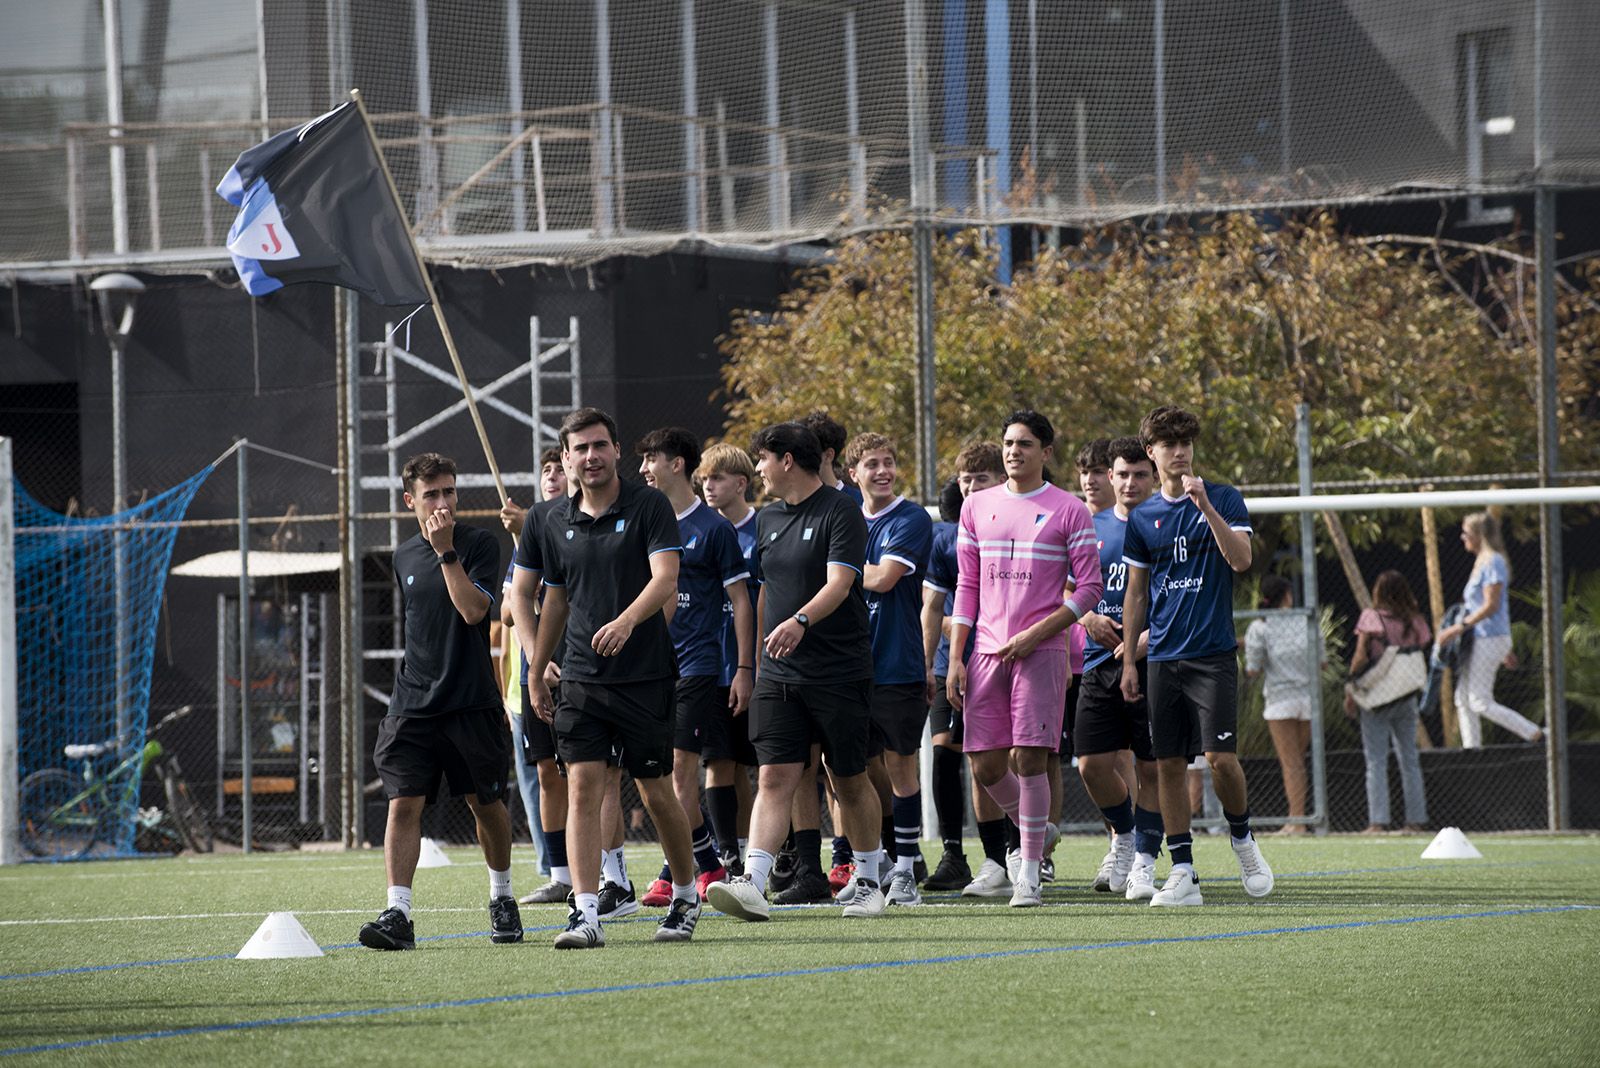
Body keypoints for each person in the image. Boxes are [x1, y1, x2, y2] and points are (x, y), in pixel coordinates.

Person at [524, 407, 702, 948]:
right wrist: (536, 670)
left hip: (645, 677)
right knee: (581, 786)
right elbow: (552, 599)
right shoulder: (553, 519)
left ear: (616, 450)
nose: (591, 456)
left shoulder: (648, 505)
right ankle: (585, 913)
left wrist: (626, 622)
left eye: (600, 445)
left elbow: (666, 578)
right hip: (580, 679)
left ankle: (687, 894)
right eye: (580, 449)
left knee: (655, 791)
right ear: (567, 457)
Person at [705, 421, 887, 921]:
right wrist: (758, 664)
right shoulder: (766, 520)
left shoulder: (841, 509)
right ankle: (754, 883)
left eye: (761, 459)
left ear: (787, 460)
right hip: (779, 677)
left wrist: (801, 620)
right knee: (774, 776)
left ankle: (870, 880)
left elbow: (841, 581)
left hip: (839, 672)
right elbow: (763, 592)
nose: (757, 468)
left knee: (847, 779)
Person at [359, 452, 522, 950]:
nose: (443, 502)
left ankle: (501, 897)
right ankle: (398, 913)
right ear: (410, 500)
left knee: (485, 802)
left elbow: (475, 613)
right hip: (413, 702)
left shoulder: (477, 543)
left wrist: (447, 551)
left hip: (471, 701)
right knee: (402, 802)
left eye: (449, 491)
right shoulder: (404, 555)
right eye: (431, 494)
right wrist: (431, 548)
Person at [946, 410, 1103, 908]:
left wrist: (1038, 633)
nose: (1014, 451)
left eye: (1026, 444)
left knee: (1031, 758)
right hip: (986, 652)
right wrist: (956, 658)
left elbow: (1091, 589)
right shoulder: (976, 507)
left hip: (1043, 652)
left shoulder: (1069, 509)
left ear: (1046, 452)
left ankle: (1029, 869)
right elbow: (966, 588)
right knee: (986, 766)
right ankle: (1040, 828)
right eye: (1009, 443)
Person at [1120, 405, 1273, 907]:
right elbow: (1137, 593)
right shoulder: (1143, 517)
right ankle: (1182, 869)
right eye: (1169, 444)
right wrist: (1128, 663)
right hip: (1163, 657)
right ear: (1152, 452)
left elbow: (1243, 560)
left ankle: (1243, 838)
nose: (1180, 451)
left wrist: (1205, 506)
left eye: (1186, 442)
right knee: (1167, 765)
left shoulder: (1224, 497)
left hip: (1212, 655)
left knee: (1220, 759)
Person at [634, 427, 755, 906]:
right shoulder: (645, 520)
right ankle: (695, 866)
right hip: (649, 668)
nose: (643, 469)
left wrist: (744, 668)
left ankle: (690, 871)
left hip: (697, 665)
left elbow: (741, 603)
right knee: (655, 778)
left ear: (677, 463)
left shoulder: (715, 529)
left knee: (681, 775)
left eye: (651, 459)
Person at [1073, 436, 1164, 899]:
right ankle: (1125, 837)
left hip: (1154, 662)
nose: (1130, 483)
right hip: (1097, 662)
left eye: (1139, 474)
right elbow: (1065, 583)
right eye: (1122, 475)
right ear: (1110, 478)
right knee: (1090, 764)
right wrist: (1085, 616)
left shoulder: (1165, 524)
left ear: (1153, 476)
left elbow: (1181, 591)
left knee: (1152, 770)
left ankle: (1145, 860)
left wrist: (1148, 638)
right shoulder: (1090, 526)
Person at [846, 431, 934, 907]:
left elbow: (880, 579)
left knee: (901, 768)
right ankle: (872, 862)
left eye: (888, 462)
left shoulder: (911, 517)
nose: (882, 472)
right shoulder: (844, 518)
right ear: (852, 473)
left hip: (898, 663)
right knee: (851, 771)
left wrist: (834, 568)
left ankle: (905, 871)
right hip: (849, 667)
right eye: (872, 464)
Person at [921, 445, 1008, 894]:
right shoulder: (945, 538)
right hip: (952, 662)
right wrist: (932, 662)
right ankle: (955, 853)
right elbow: (931, 605)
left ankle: (1013, 849)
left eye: (983, 478)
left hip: (1003, 659)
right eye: (966, 479)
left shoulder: (1016, 527)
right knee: (946, 754)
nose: (973, 487)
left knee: (995, 760)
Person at [509, 450, 580, 907]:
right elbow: (507, 607)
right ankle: (560, 874)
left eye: (561, 467)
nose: (554, 475)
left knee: (591, 774)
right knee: (548, 772)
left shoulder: (595, 519)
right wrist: (538, 662)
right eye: (547, 470)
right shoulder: (533, 524)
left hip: (584, 661)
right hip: (539, 669)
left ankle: (609, 876)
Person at [698, 442, 764, 874]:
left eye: (717, 478)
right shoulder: (699, 530)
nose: (708, 486)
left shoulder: (767, 527)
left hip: (761, 663)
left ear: (741, 483)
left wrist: (751, 665)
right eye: (703, 478)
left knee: (771, 767)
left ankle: (785, 854)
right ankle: (729, 854)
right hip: (711, 666)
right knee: (719, 762)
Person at [1437, 512, 1543, 747]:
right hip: (1483, 638)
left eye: (1466, 533)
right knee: (1462, 699)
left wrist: (1458, 628)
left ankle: (1533, 732)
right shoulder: (1482, 561)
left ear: (1478, 535)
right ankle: (1471, 750)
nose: (1462, 537)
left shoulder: (1493, 561)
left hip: (1489, 637)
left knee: (1479, 701)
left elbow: (1491, 605)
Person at [1348, 570, 1431, 832]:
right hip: (1406, 696)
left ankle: (1378, 822)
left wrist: (1351, 685)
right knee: (1410, 759)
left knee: (1375, 760)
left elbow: (1361, 656)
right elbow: (1421, 646)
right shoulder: (1415, 620)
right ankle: (1415, 821)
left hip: (1377, 699)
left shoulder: (1371, 618)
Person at [1244, 573, 1318, 834]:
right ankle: (1298, 818)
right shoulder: (1304, 620)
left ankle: (1295, 821)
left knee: (1291, 762)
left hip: (1279, 699)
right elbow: (1321, 662)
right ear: (1286, 596)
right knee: (1299, 760)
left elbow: (1252, 669)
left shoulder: (1260, 626)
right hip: (1307, 698)